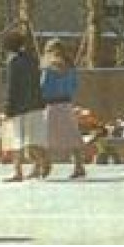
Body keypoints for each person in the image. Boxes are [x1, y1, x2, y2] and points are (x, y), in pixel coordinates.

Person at [0, 28, 50, 183]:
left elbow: (11, 87)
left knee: (17, 141)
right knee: (33, 139)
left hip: (19, 108)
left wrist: (8, 108)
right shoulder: (32, 60)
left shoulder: (13, 63)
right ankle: (43, 161)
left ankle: (18, 172)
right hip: (35, 105)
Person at [40, 40, 87, 179]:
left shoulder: (48, 68)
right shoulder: (71, 67)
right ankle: (79, 166)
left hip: (51, 105)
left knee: (45, 137)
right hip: (66, 104)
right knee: (72, 135)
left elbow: (43, 87)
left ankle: (45, 165)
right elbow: (74, 86)